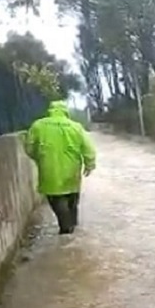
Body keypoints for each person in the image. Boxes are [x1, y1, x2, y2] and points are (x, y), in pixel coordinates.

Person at [23, 100, 97, 235]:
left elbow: (29, 147)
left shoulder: (38, 126)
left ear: (50, 111)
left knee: (56, 199)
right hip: (72, 171)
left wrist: (39, 157)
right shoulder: (76, 127)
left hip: (49, 170)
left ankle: (66, 229)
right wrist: (89, 164)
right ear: (66, 111)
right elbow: (88, 148)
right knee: (72, 199)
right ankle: (72, 227)